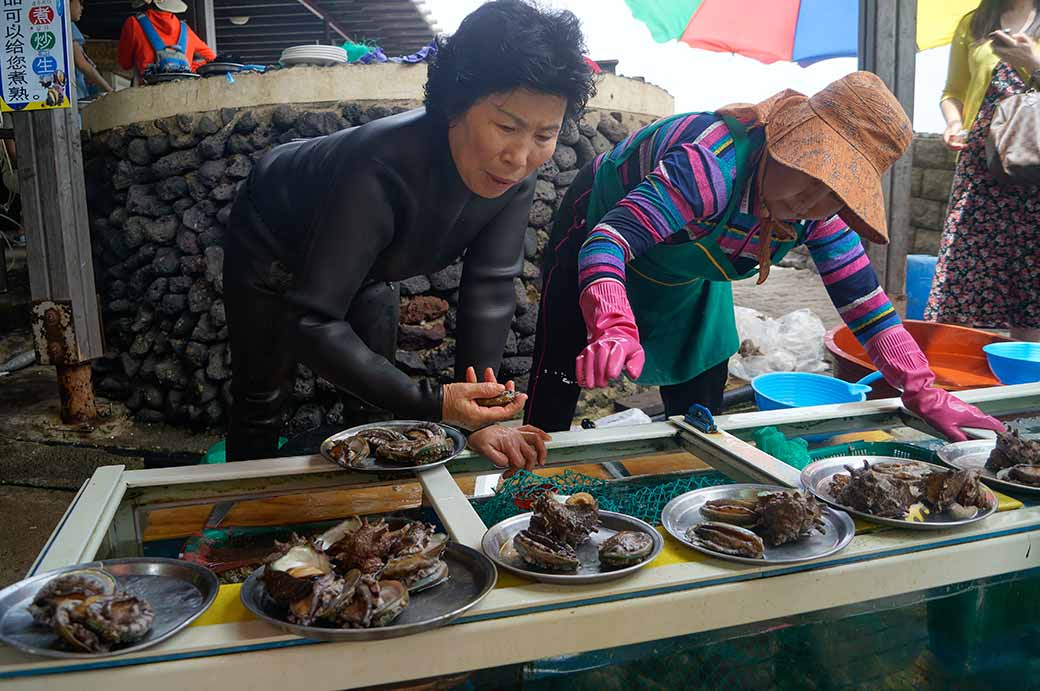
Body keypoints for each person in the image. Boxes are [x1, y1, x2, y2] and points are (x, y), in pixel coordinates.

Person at [525, 71, 1004, 442]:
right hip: (601, 225)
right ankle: (525, 484)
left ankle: (689, 487)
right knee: (563, 360)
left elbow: (867, 307)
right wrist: (611, 322)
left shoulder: (818, 215)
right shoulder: (710, 167)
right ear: (783, 142)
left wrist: (922, 387)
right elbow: (610, 241)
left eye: (835, 191)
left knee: (702, 381)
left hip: (686, 266)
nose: (811, 202)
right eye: (808, 173)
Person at [223, 1, 593, 470]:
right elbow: (312, 319)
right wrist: (437, 402)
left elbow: (491, 287)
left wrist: (479, 415)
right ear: (455, 106)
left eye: (545, 135)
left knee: (378, 406)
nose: (520, 158)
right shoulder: (378, 167)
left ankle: (373, 523)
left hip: (372, 267)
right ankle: (240, 522)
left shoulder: (514, 175)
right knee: (261, 396)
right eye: (506, 126)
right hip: (272, 238)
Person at [926, 0, 1040, 341]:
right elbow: (953, 92)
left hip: (1036, 164)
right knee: (963, 270)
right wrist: (954, 122)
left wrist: (1032, 62)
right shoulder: (974, 23)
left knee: (1032, 275)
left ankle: (1029, 379)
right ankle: (958, 374)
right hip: (981, 164)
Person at [117, 0, 214, 82]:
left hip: (148, 97)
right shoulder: (185, 30)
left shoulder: (133, 24)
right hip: (184, 95)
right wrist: (187, 68)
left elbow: (125, 64)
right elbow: (212, 58)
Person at [70, 0, 114, 100]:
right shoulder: (68, 27)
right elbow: (82, 65)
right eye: (80, 3)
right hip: (75, 94)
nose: (82, 8)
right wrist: (110, 90)